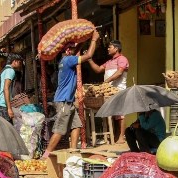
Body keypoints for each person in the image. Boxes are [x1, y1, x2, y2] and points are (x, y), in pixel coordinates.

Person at [42, 30, 100, 158]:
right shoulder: (69, 60)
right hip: (63, 101)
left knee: (77, 125)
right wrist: (94, 39)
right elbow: (89, 55)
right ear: (68, 51)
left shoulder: (64, 60)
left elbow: (76, 50)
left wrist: (83, 40)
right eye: (72, 49)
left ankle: (73, 151)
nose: (74, 50)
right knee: (60, 129)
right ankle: (45, 156)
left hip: (68, 100)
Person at [86, 39, 129, 142]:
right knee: (113, 115)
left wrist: (107, 81)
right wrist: (89, 59)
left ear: (116, 48)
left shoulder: (122, 59)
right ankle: (115, 136)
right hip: (109, 91)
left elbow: (119, 73)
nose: (108, 49)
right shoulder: (109, 62)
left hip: (119, 90)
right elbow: (98, 69)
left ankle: (121, 137)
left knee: (120, 114)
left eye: (110, 47)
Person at [0, 53, 24, 123]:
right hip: (2, 106)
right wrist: (9, 108)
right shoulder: (10, 71)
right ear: (14, 61)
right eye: (19, 63)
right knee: (7, 128)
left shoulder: (4, 70)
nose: (20, 65)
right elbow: (6, 88)